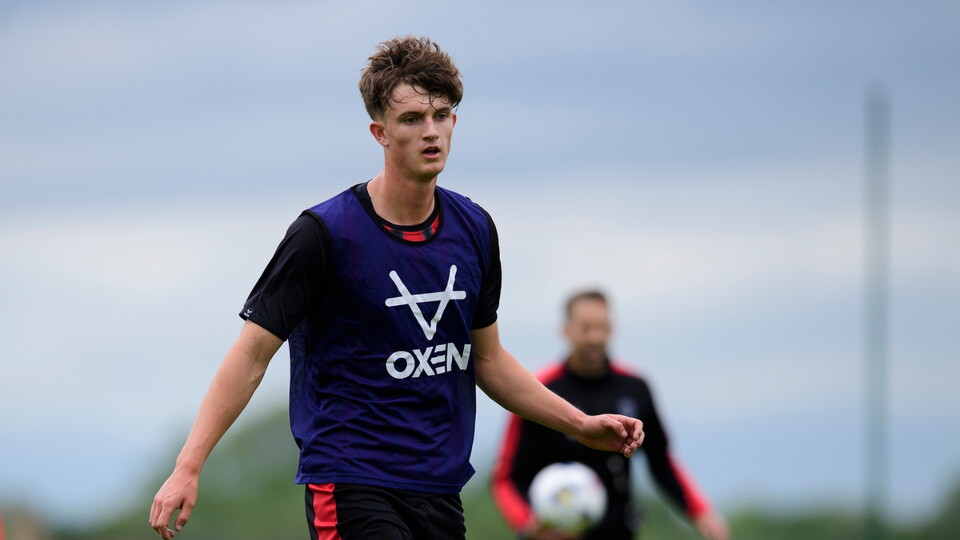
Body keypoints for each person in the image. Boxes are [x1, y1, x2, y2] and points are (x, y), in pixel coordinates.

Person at [148, 36, 644, 540]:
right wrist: (188, 466)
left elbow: (487, 360)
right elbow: (250, 356)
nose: (431, 132)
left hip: (439, 487)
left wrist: (578, 424)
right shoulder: (324, 235)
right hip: (350, 478)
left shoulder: (474, 228)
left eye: (442, 115)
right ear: (379, 132)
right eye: (411, 119)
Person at [492, 290, 729, 540]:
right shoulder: (540, 390)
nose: (595, 337)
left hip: (619, 531)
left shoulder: (635, 387)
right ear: (566, 330)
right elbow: (506, 476)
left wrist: (701, 512)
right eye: (585, 327)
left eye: (602, 327)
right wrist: (528, 524)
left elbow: (662, 461)